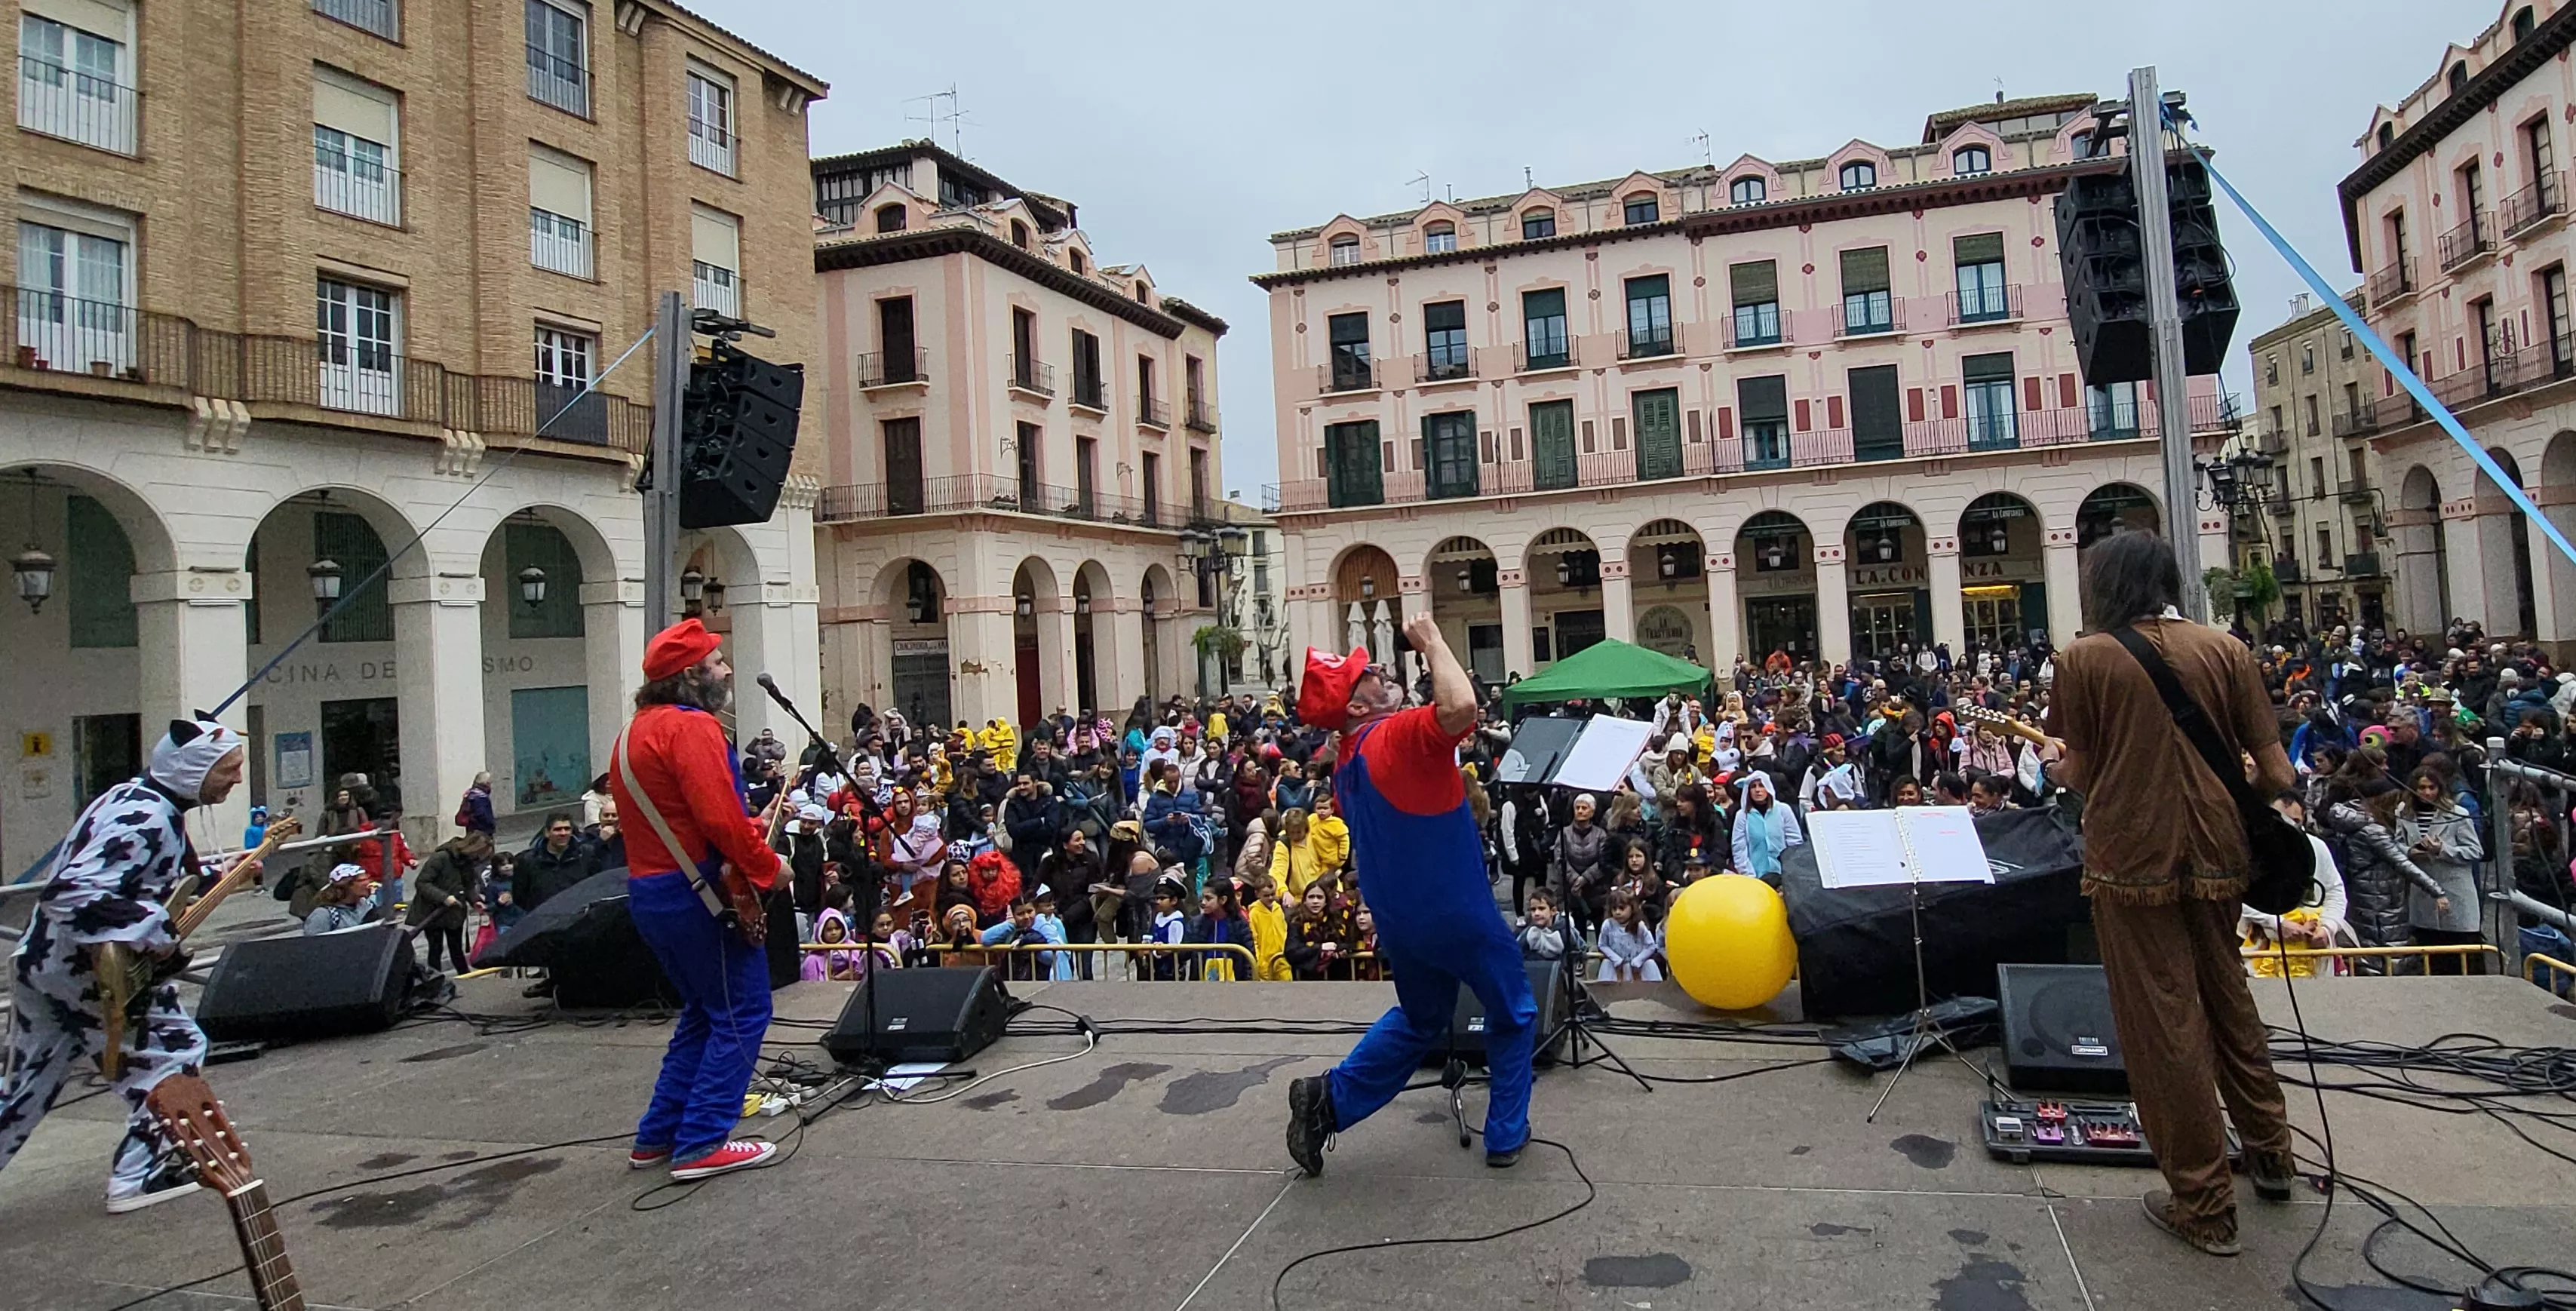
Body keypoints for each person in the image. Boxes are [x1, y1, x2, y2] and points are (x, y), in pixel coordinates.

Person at [2042, 531, 2295, 1257]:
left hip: (2133, 859)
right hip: (2222, 852)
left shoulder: (2085, 659)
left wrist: (2056, 767)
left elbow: (2079, 774)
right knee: (2227, 997)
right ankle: (2271, 1155)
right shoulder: (2226, 650)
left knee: (2164, 1024)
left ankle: (2203, 1204)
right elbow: (2278, 774)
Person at [1285, 613, 1538, 1175]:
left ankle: (1328, 1100)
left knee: (1422, 1018)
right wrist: (1433, 642)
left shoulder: (1346, 762)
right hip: (1456, 911)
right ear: (1357, 707)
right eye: (1364, 674)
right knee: (1514, 1013)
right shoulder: (1393, 736)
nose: (1376, 668)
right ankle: (1505, 1134)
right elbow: (1462, 708)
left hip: (1399, 921)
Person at [1, 715, 256, 1214]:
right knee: (176, 1054)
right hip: (91, 974)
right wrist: (154, 931)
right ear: (192, 769)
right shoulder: (148, 818)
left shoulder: (133, 799)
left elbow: (134, 876)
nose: (238, 779)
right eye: (228, 769)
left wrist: (215, 878)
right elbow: (70, 892)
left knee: (26, 1086)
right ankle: (139, 1176)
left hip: (42, 963)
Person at [606, 618, 788, 1181]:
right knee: (743, 1011)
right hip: (699, 894)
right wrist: (769, 867)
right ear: (690, 676)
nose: (727, 670)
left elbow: (683, 817)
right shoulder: (692, 728)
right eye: (716, 662)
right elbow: (716, 821)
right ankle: (702, 1140)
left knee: (704, 1014)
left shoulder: (633, 733)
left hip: (654, 892)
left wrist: (749, 823)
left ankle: (657, 1136)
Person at [2396, 765, 2485, 974]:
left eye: (2432, 787)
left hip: (2455, 890)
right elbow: (2397, 842)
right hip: (2423, 891)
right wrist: (2410, 851)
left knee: (2461, 951)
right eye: (2422, 788)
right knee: (2428, 951)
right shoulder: (2403, 812)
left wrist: (2443, 850)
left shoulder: (2457, 814)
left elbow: (2475, 851)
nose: (2427, 793)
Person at [407, 832, 489, 973]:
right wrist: (444, 898)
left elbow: (469, 885)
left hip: (454, 911)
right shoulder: (441, 857)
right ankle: (435, 978)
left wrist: (476, 901)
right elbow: (422, 883)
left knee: (456, 948)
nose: (479, 858)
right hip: (432, 911)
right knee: (435, 948)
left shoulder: (468, 862)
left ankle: (464, 976)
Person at [1729, 773, 1804, 885]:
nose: (1757, 790)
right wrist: (1748, 875)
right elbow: (1739, 848)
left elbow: (1795, 843)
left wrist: (1790, 870)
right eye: (1753, 787)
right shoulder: (1742, 815)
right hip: (1756, 877)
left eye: (1761, 785)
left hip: (1783, 875)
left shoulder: (1784, 810)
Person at [1593, 888, 1663, 982]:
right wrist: (1616, 959)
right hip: (1616, 968)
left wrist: (1638, 960)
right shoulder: (1608, 925)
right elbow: (1602, 944)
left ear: (1632, 908)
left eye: (1622, 908)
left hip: (1637, 968)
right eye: (1614, 909)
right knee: (1606, 963)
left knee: (1650, 964)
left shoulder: (1639, 925)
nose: (1617, 912)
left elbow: (1651, 946)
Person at [1515, 889, 1583, 963]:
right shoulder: (1530, 931)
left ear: (1553, 911)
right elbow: (1517, 950)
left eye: (1541, 908)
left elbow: (1580, 950)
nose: (1536, 913)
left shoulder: (1564, 930)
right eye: (1533, 909)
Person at [1246, 874, 1291, 980]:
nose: (1271, 898)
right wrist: (1258, 962)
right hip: (1265, 963)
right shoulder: (1254, 913)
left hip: (1282, 959)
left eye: (1273, 894)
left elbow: (1285, 931)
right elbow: (1254, 939)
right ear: (1257, 894)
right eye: (1266, 895)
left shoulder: (1278, 909)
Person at [456, 772, 496, 838]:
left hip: (472, 829)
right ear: (486, 783)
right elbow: (482, 814)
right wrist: (491, 825)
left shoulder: (472, 793)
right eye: (490, 782)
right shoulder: (480, 797)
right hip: (481, 831)